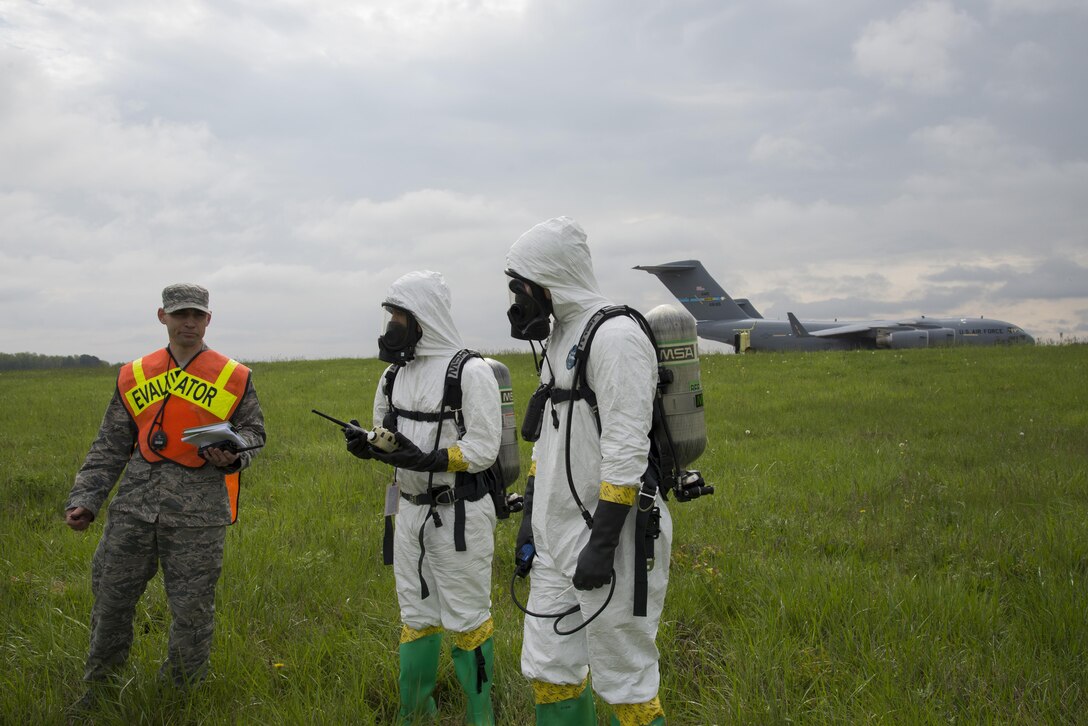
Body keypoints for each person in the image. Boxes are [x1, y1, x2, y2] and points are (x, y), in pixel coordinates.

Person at [65, 283, 265, 709]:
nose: (188, 322)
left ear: (208, 319)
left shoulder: (234, 375)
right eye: (179, 315)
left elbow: (254, 435)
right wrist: (86, 498)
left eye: (197, 315)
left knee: (192, 613)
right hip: (133, 509)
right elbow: (109, 444)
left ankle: (180, 697)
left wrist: (231, 454)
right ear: (163, 317)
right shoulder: (134, 374)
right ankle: (99, 690)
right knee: (111, 600)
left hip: (199, 514)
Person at [505, 217, 672, 726]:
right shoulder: (559, 339)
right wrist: (532, 520)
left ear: (550, 279)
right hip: (556, 540)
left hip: (615, 539)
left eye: (523, 287)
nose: (517, 300)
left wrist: (601, 547)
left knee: (626, 679)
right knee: (548, 667)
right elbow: (550, 443)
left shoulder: (616, 335)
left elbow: (626, 451)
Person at [345, 270, 502, 725]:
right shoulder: (393, 376)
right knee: (415, 614)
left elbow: (483, 448)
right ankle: (413, 712)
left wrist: (429, 460)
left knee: (468, 619)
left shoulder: (470, 372)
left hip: (459, 518)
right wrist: (367, 446)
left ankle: (480, 716)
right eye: (390, 314)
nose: (392, 324)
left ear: (423, 317)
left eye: (399, 314)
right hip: (408, 515)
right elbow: (385, 432)